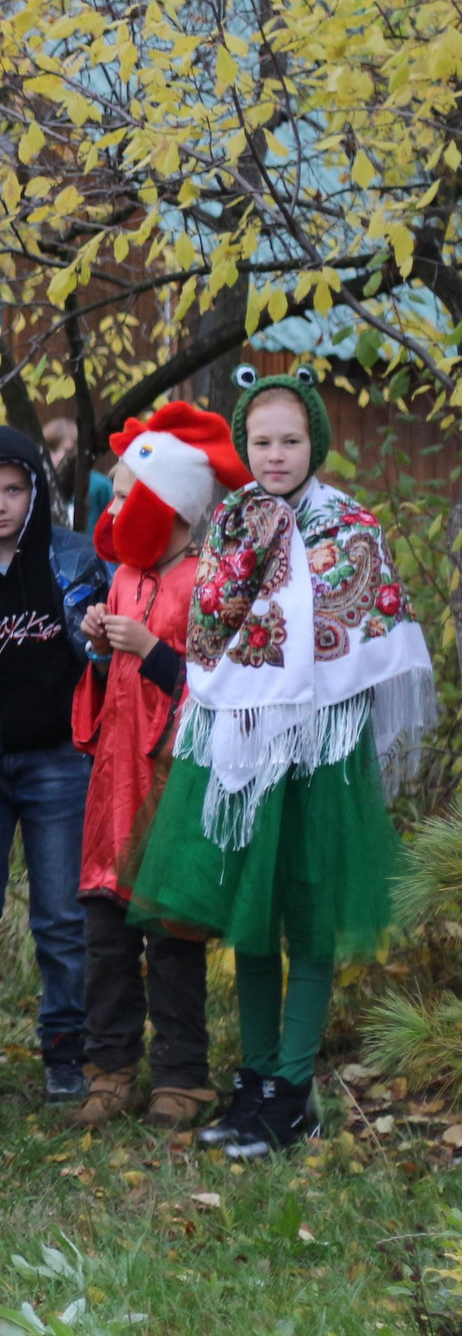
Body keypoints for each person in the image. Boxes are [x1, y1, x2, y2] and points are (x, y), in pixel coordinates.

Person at [130, 367, 433, 1161]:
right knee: (249, 917)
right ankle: (255, 1083)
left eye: (290, 440)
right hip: (243, 748)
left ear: (315, 445)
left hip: (319, 747)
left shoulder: (349, 528)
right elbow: (213, 630)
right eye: (261, 441)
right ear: (244, 445)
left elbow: (358, 626)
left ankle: (294, 1092)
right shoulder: (230, 525)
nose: (275, 454)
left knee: (305, 912)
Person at [64, 404, 244, 1130]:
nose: (115, 505)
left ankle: (183, 1075)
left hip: (171, 784)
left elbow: (223, 686)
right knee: (105, 937)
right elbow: (107, 690)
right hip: (114, 786)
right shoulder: (124, 579)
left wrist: (150, 646)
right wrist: (103, 650)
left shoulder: (206, 582)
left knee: (171, 938)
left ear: (168, 504)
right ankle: (109, 1071)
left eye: (127, 491)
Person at [0, 427, 109, 1100]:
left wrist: (100, 640)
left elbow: (97, 655)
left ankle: (66, 1048)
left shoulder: (73, 560)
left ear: (36, 490)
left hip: (57, 762)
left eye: (13, 489)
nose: (0, 504)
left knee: (62, 914)